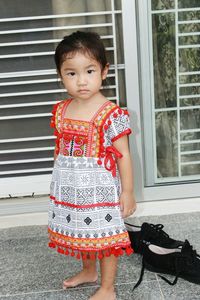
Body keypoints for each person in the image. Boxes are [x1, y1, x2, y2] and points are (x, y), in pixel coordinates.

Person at [48, 31, 136, 300]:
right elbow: (60, 146)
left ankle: (108, 288)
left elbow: (123, 154)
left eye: (89, 71)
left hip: (101, 191)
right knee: (81, 229)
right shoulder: (62, 110)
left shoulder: (111, 114)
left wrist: (128, 192)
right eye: (71, 73)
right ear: (61, 76)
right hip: (71, 189)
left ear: (104, 71)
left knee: (105, 238)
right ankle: (88, 270)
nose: (81, 81)